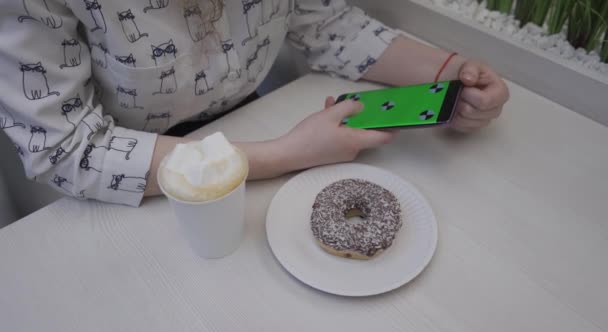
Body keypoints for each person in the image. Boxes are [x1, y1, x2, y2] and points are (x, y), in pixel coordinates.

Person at [0, 0, 508, 206]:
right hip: (128, 164)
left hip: (245, 116)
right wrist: (288, 153)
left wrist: (453, 77)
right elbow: (67, 148)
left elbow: (328, 24)